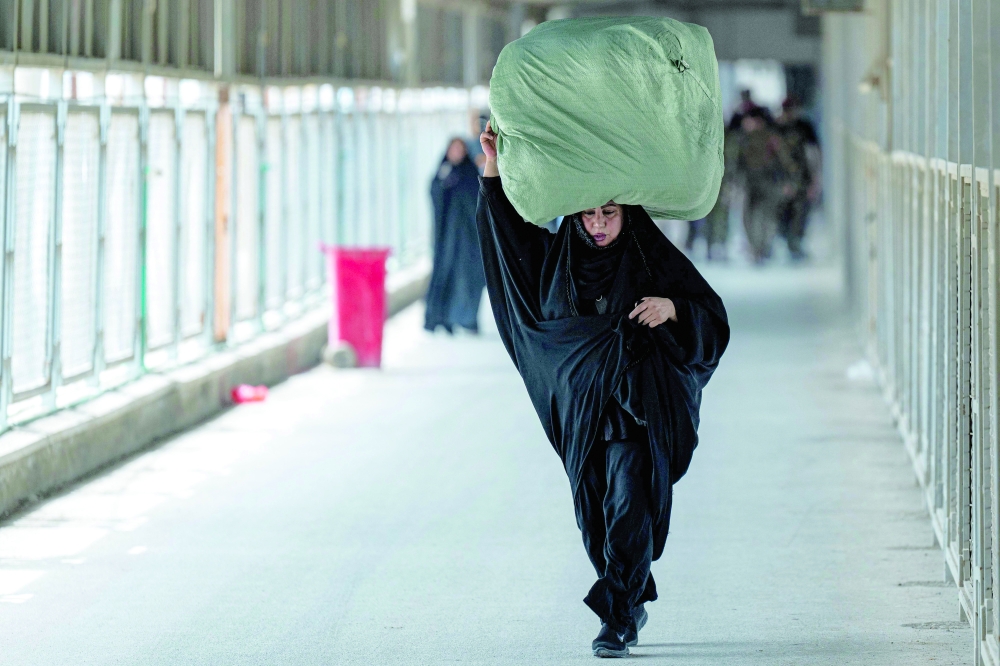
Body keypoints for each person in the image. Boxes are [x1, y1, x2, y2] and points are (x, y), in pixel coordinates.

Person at [476, 123, 730, 658]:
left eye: (609, 214)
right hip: (582, 417)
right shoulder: (553, 262)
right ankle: (629, 591)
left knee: (626, 501)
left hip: (638, 412)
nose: (597, 225)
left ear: (626, 214)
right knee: (595, 514)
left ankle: (616, 616)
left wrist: (672, 309)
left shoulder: (650, 258)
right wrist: (494, 166)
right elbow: (502, 234)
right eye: (589, 214)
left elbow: (711, 318)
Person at [424, 138, 486, 334]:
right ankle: (442, 318)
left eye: (460, 149)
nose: (456, 153)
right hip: (446, 238)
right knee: (445, 276)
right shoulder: (443, 172)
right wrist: (443, 183)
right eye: (453, 149)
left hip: (468, 239)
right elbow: (435, 195)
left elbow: (477, 202)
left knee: (467, 280)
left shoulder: (470, 174)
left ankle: (466, 318)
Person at [735, 108, 799, 264]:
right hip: (751, 183)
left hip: (768, 182)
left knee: (765, 217)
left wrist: (790, 181)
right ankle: (757, 248)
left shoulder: (771, 138)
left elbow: (785, 160)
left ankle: (762, 248)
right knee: (750, 218)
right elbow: (737, 162)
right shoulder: (744, 138)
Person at [776, 97, 821, 261]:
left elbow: (814, 154)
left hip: (802, 180)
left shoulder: (804, 127)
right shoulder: (778, 128)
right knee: (785, 214)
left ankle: (795, 244)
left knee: (800, 214)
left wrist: (815, 180)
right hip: (783, 181)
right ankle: (789, 242)